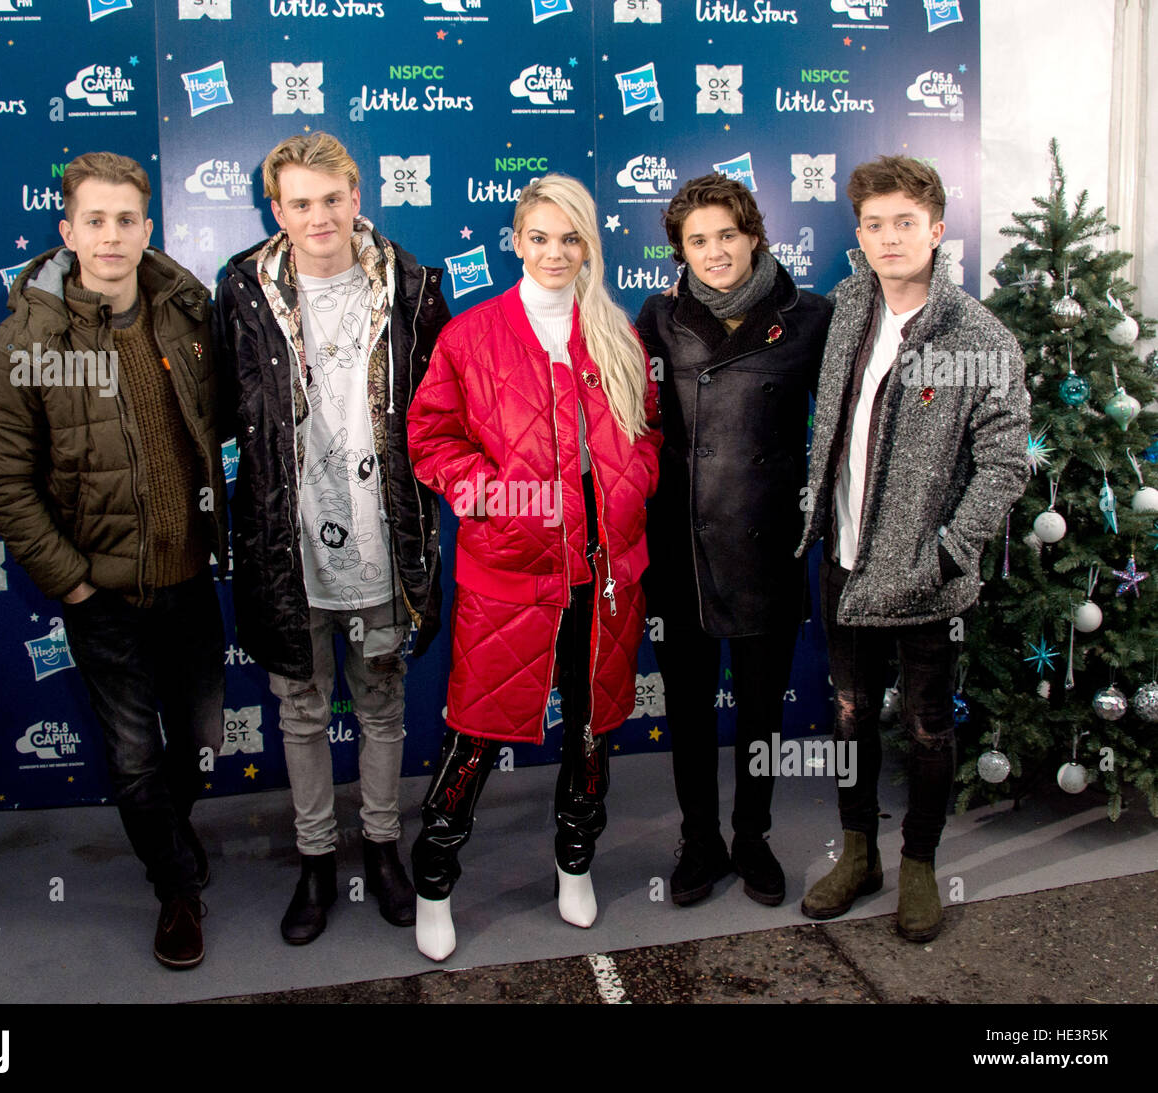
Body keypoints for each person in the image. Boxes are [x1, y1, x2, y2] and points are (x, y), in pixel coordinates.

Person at [0, 152, 227, 969]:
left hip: (190, 580)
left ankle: (174, 835)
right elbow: (5, 480)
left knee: (196, 739)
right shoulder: (30, 339)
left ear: (147, 226)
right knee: (132, 754)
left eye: (126, 219)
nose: (112, 235)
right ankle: (175, 891)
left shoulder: (188, 316)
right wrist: (72, 580)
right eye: (95, 219)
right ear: (67, 231)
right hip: (103, 596)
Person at [406, 174, 660, 961]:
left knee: (590, 732)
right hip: (511, 571)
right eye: (540, 237)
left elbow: (648, 433)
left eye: (571, 238)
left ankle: (574, 862)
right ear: (516, 240)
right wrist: (492, 497)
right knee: (474, 735)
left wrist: (633, 486)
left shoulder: (615, 330)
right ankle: (435, 879)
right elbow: (430, 439)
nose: (555, 253)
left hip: (605, 573)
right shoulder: (471, 336)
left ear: (589, 245)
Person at [213, 132, 450, 946]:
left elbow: (440, 411)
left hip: (386, 538)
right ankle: (317, 856)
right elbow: (223, 406)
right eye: (299, 203)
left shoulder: (415, 284)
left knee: (383, 700)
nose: (319, 216)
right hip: (288, 539)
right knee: (301, 705)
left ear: (358, 197)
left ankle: (382, 845)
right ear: (275, 209)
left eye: (332, 198)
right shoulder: (242, 289)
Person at [797, 156, 1029, 941]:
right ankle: (858, 851)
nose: (889, 237)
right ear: (857, 234)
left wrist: (950, 551)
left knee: (929, 724)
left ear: (936, 230)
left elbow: (1005, 460)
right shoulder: (847, 306)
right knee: (852, 712)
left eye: (905, 222)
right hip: (844, 560)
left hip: (927, 574)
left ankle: (920, 864)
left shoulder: (978, 335)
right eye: (873, 223)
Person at [636, 175, 832, 908]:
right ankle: (699, 840)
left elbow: (844, 423)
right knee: (687, 707)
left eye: (727, 235)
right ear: (679, 252)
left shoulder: (808, 317)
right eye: (698, 241)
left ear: (754, 236)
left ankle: (752, 836)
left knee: (760, 710)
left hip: (767, 544)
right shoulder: (657, 318)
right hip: (682, 549)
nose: (715, 252)